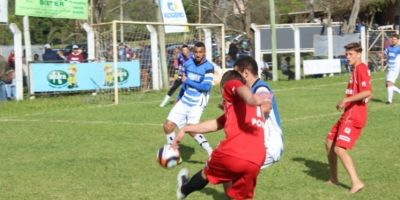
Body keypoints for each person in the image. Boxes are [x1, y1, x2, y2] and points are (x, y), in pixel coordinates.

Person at [172, 70, 271, 200]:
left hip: (234, 152)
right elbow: (215, 124)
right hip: (257, 159)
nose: (222, 96)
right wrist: (186, 128)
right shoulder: (241, 109)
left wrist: (251, 98)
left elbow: (240, 88)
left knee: (207, 173)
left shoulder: (231, 82)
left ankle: (183, 190)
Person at [325, 42, 372, 194]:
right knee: (329, 142)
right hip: (348, 113)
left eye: (351, 54)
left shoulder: (361, 68)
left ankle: (356, 182)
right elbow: (367, 92)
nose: (347, 57)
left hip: (355, 115)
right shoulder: (356, 69)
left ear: (359, 54)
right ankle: (333, 178)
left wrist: (346, 100)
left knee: (339, 149)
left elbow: (366, 91)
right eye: (346, 54)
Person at [163, 42, 214, 156]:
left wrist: (188, 81)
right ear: (193, 52)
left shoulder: (208, 67)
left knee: (191, 129)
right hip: (185, 99)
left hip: (198, 102)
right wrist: (178, 98)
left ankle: (210, 151)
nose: (198, 54)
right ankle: (173, 153)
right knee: (168, 125)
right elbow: (184, 84)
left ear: (204, 52)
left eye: (200, 52)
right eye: (196, 52)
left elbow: (206, 87)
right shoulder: (188, 64)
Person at [234, 56, 283, 169]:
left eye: (236, 75)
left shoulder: (261, 88)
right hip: (256, 144)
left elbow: (266, 106)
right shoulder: (249, 90)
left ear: (245, 73)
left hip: (269, 146)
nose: (234, 79)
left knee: (234, 168)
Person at [383, 34, 400, 104]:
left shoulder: (399, 48)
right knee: (388, 85)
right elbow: (384, 53)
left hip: (395, 68)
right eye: (392, 39)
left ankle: (389, 101)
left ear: (398, 40)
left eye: (394, 39)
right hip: (389, 68)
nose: (393, 40)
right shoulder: (389, 47)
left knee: (389, 83)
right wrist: (381, 55)